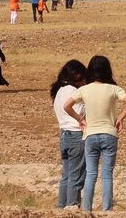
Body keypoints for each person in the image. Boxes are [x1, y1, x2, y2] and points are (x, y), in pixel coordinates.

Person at [63, 56, 126, 212]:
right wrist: (120, 118)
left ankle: (87, 210)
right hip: (109, 134)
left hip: (90, 135)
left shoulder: (84, 89)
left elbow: (66, 106)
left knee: (91, 174)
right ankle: (107, 210)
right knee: (107, 175)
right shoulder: (113, 88)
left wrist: (80, 119)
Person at [51, 59, 88, 209]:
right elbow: (80, 112)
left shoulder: (59, 90)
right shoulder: (73, 92)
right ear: (78, 75)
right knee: (76, 176)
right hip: (76, 135)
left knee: (66, 175)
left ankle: (61, 207)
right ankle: (72, 207)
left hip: (64, 135)